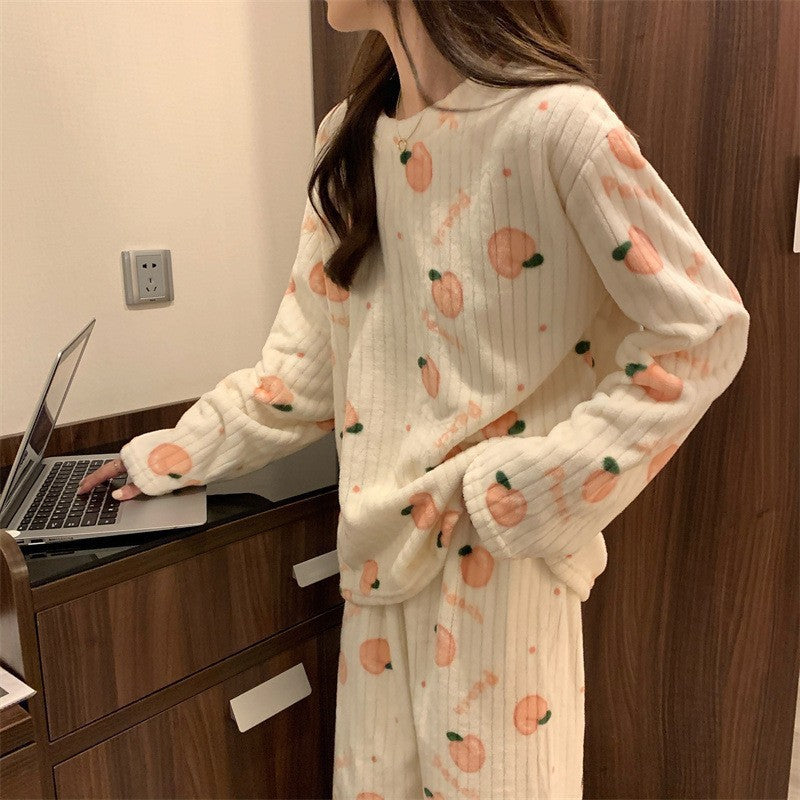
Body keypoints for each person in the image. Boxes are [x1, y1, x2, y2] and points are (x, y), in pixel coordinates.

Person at [77, 1, 751, 797]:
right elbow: (302, 371)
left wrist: (520, 488)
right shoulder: (347, 139)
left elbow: (703, 330)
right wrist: (163, 456)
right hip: (376, 563)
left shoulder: (557, 126)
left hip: (502, 571)